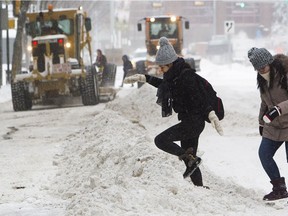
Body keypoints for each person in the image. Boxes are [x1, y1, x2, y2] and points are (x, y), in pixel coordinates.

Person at [124, 37, 223, 187]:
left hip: (194, 122)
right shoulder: (174, 76)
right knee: (191, 160)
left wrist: (211, 113)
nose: (160, 70)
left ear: (170, 63)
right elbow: (164, 85)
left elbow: (199, 96)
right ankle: (200, 186)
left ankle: (190, 162)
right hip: (189, 121)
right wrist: (144, 78)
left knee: (161, 140)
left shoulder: (186, 76)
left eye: (162, 67)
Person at [248, 47, 288, 201]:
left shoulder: (284, 75)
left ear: (270, 63)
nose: (261, 71)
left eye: (263, 67)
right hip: (274, 125)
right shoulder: (262, 80)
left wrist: (279, 109)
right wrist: (261, 122)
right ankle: (279, 188)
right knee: (264, 154)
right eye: (257, 69)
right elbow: (264, 103)